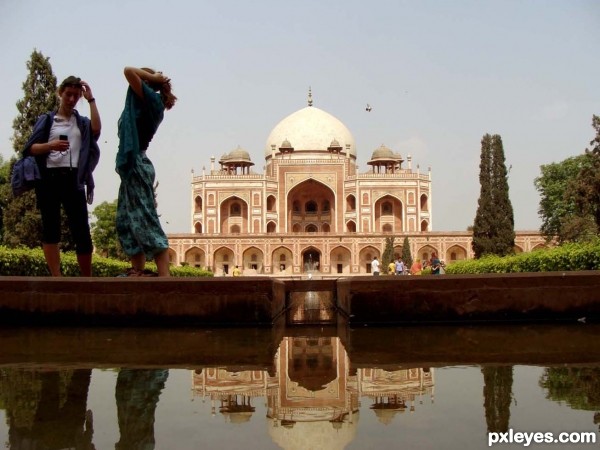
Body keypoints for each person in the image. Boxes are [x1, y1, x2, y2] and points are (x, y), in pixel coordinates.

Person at [24, 76, 101, 276]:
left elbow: (96, 129)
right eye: (68, 94)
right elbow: (30, 148)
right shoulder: (48, 120)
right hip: (48, 178)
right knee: (51, 230)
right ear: (61, 93)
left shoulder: (81, 122)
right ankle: (57, 278)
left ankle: (87, 279)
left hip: (73, 178)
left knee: (82, 231)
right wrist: (51, 145)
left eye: (76, 96)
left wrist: (91, 100)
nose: (72, 99)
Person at [116, 67, 177, 277]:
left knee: (145, 219)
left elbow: (127, 71)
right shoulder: (141, 104)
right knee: (127, 220)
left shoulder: (151, 101)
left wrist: (152, 77)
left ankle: (164, 277)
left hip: (138, 165)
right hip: (133, 167)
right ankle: (138, 270)